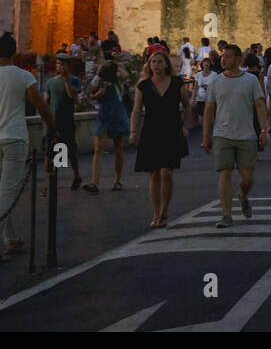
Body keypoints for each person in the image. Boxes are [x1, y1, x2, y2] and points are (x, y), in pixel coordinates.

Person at [0, 32, 56, 263]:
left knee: (4, 191)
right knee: (8, 192)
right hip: (15, 138)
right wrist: (52, 127)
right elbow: (42, 107)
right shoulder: (23, 76)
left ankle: (11, 238)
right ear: (15, 53)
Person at [201, 44, 270, 228]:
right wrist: (206, 135)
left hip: (246, 134)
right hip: (222, 134)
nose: (223, 60)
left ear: (238, 59)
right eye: (223, 56)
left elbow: (260, 105)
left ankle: (243, 195)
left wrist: (264, 130)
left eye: (228, 57)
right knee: (225, 173)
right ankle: (226, 214)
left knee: (247, 177)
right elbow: (209, 109)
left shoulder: (250, 80)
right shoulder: (216, 81)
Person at [132, 50, 189, 227]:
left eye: (159, 61)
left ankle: (164, 211)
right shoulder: (143, 85)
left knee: (167, 172)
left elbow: (188, 107)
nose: (156, 65)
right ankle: (156, 213)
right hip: (151, 131)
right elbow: (136, 110)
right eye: (153, 62)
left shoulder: (177, 83)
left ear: (166, 64)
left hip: (171, 131)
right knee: (154, 174)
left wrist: (185, 126)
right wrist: (133, 131)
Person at [89, 60, 131, 193]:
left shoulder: (118, 80)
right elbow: (92, 89)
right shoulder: (101, 79)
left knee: (117, 148)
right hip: (108, 116)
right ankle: (95, 183)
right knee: (99, 149)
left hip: (115, 116)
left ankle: (117, 181)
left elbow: (125, 75)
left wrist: (116, 64)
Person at [46, 53, 83, 191]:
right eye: (58, 63)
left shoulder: (74, 80)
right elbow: (47, 100)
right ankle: (50, 179)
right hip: (53, 121)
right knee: (49, 152)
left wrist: (66, 79)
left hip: (67, 121)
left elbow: (72, 95)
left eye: (63, 64)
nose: (60, 66)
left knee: (71, 151)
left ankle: (76, 175)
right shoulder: (51, 82)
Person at [193, 56, 217, 125]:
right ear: (202, 64)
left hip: (210, 99)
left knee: (210, 118)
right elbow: (195, 87)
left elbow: (216, 87)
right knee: (201, 119)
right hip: (200, 99)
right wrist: (193, 98)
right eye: (204, 63)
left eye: (208, 63)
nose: (206, 64)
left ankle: (211, 133)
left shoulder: (214, 74)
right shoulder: (198, 74)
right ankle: (202, 134)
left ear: (210, 65)